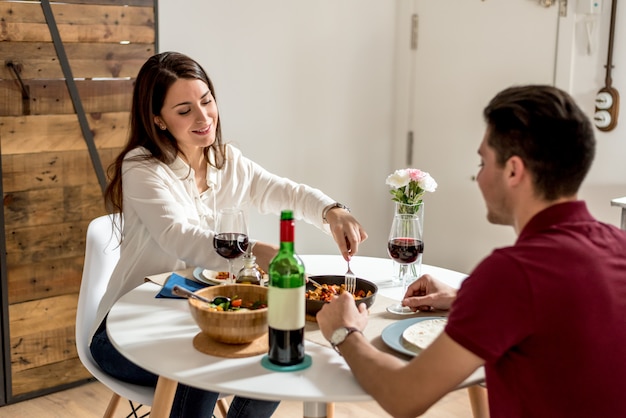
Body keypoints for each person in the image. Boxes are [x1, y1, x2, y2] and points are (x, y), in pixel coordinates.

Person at [316, 85, 626, 417]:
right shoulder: (618, 244)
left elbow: (403, 396)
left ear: (513, 170)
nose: (477, 176)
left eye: (483, 161)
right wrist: (468, 298)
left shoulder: (512, 273)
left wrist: (343, 332)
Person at [90, 51, 368, 418]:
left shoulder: (226, 160)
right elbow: (178, 235)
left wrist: (334, 211)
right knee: (204, 366)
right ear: (158, 119)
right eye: (184, 110)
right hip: (129, 331)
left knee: (283, 347)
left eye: (206, 101)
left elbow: (285, 191)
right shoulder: (142, 167)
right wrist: (253, 252)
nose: (204, 117)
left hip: (208, 316)